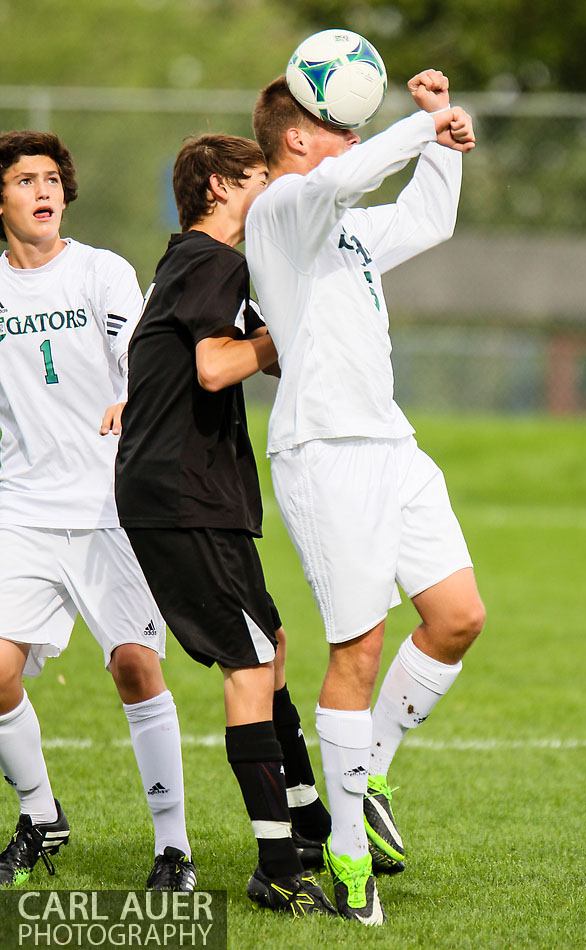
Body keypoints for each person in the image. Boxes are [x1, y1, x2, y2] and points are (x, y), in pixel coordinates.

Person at [245, 69, 486, 924]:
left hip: (391, 444)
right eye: (337, 125)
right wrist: (421, 130)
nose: (352, 136)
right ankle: (347, 857)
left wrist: (441, 138)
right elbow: (347, 175)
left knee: (457, 616)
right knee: (358, 650)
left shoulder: (343, 228)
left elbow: (428, 217)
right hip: (324, 453)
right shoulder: (280, 211)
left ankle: (371, 769)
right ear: (296, 139)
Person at [114, 134, 334, 917]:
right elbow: (214, 366)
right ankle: (277, 862)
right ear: (218, 185)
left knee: (266, 642)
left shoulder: (192, 262)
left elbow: (230, 356)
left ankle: (309, 819)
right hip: (182, 495)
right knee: (247, 664)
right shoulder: (212, 260)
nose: (271, 194)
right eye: (261, 181)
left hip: (190, 492)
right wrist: (286, 329)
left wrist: (285, 327)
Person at [0, 131, 195, 891]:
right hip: (20, 508)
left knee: (136, 668)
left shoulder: (101, 272)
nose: (44, 191)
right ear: (2, 199)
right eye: (25, 180)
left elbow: (140, 359)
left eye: (52, 178)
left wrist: (129, 393)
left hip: (112, 505)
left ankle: (172, 848)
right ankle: (40, 814)